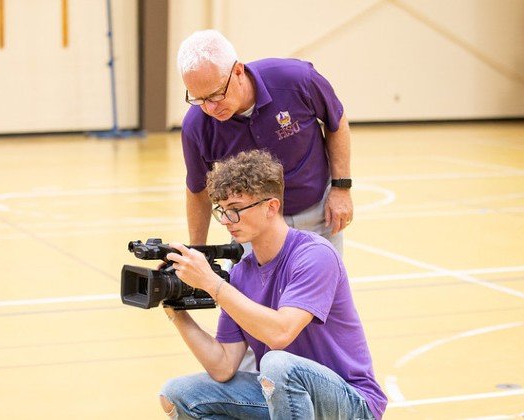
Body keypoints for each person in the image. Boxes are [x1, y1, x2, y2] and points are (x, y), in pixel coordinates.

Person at [160, 150, 386, 419]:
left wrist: (212, 284)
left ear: (271, 207)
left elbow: (281, 333)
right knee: (178, 393)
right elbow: (223, 365)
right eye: (222, 210)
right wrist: (175, 309)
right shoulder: (242, 273)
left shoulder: (314, 255)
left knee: (277, 364)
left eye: (236, 210)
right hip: (286, 397)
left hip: (351, 403)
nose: (225, 221)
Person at [177, 29, 354, 255]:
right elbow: (197, 189)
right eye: (198, 99)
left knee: (322, 288)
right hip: (253, 230)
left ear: (238, 71)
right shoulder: (196, 126)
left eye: (215, 95)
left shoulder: (297, 79)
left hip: (319, 216)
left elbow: (336, 121)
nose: (210, 108)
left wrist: (341, 188)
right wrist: (198, 251)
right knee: (248, 292)